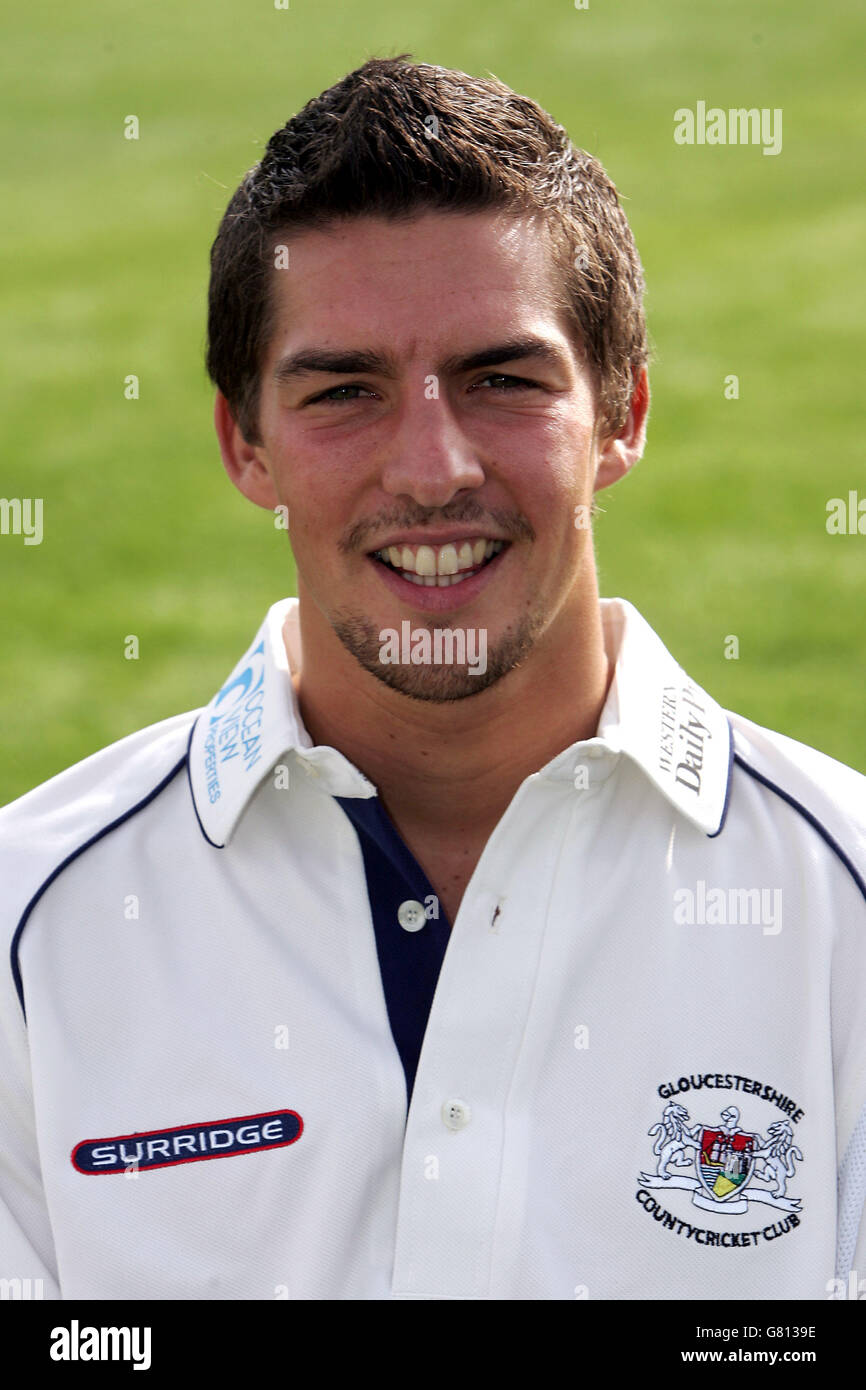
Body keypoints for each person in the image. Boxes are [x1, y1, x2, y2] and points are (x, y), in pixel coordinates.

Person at [1, 55, 864, 1302]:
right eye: (343, 390)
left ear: (620, 413)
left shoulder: (839, 910)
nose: (429, 466)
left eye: (499, 379)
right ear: (245, 444)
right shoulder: (33, 934)